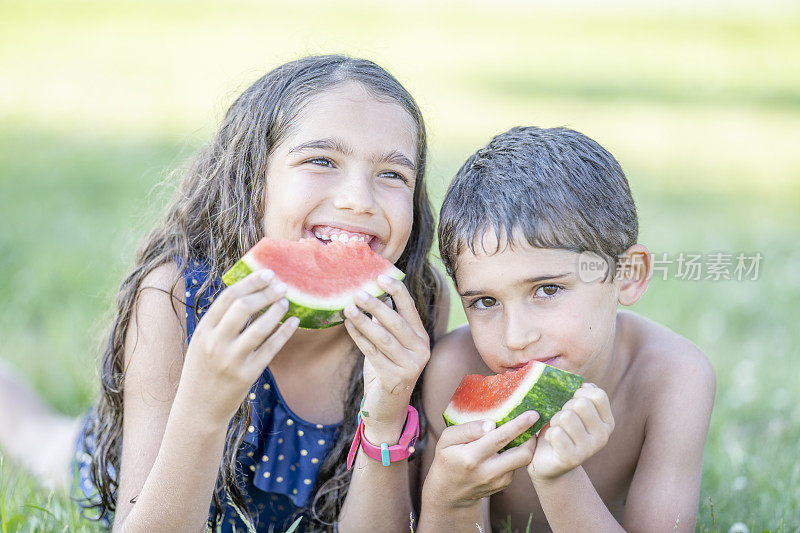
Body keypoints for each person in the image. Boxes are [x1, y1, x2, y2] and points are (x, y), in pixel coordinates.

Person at [0, 54, 448, 532]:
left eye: (392, 174)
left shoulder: (415, 301)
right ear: (253, 177)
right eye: (321, 161)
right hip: (143, 472)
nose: (358, 198)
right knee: (39, 439)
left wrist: (387, 413)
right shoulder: (175, 296)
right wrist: (204, 405)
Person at [416, 126, 715, 532]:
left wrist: (559, 479)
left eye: (548, 289)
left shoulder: (675, 377)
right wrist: (449, 498)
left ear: (627, 276)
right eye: (485, 302)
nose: (516, 337)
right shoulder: (451, 373)